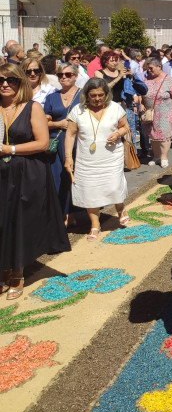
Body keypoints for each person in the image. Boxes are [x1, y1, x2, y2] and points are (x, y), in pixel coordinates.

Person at [0, 63, 70, 298]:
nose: (5, 85)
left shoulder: (32, 107)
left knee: (18, 220)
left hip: (26, 171)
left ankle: (17, 273)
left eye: (11, 80)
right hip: (1, 173)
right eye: (1, 80)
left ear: (20, 83)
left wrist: (9, 149)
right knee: (2, 221)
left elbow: (41, 143)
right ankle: (3, 270)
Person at [64, 78, 130, 241]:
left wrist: (117, 134)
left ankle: (120, 208)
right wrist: (68, 158)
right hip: (86, 160)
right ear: (87, 95)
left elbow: (126, 127)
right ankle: (95, 224)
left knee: (114, 186)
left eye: (101, 95)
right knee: (89, 191)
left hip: (111, 156)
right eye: (93, 95)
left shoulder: (115, 108)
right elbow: (70, 134)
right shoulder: (77, 110)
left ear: (106, 94)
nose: (97, 99)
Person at [43, 62, 80, 221]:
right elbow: (44, 122)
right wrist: (58, 124)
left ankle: (78, 213)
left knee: (77, 177)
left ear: (76, 76)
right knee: (58, 178)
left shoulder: (84, 95)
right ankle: (62, 214)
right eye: (60, 75)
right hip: (56, 142)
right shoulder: (51, 97)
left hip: (78, 142)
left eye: (68, 75)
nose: (63, 78)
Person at [141, 57, 172, 167]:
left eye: (151, 68)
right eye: (148, 69)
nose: (149, 70)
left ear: (159, 67)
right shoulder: (146, 80)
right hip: (150, 113)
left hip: (165, 112)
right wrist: (142, 104)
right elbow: (141, 94)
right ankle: (156, 156)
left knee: (164, 135)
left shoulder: (168, 80)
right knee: (152, 135)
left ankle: (164, 157)